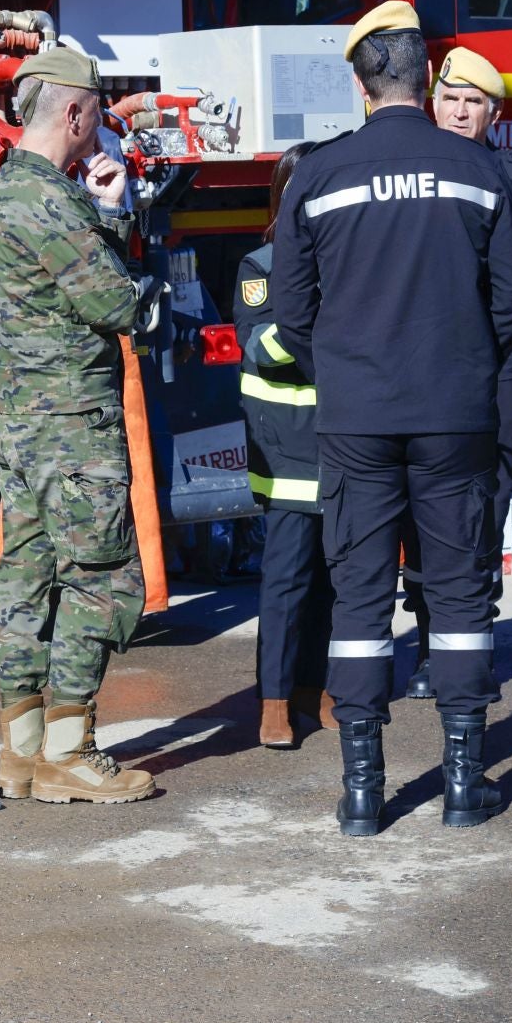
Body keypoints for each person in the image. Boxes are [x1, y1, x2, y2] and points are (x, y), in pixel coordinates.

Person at [270, 0, 512, 836]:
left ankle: (360, 791)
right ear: (428, 77)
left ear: (359, 81)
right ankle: (462, 780)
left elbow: (291, 311)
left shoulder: (317, 175)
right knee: (458, 592)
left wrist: (345, 375)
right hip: (456, 415)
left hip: (357, 419)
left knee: (360, 595)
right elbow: (508, 307)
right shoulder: (479, 173)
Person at [0, 45, 161, 805]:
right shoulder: (50, 201)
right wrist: (120, 219)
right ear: (76, 112)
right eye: (96, 117)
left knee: (24, 578)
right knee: (102, 578)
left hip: (19, 427)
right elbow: (118, 305)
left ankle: (21, 754)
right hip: (72, 428)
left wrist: (101, 216)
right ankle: (69, 753)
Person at [400, 47, 512, 702]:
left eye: (474, 103)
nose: (461, 112)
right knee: (417, 510)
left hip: (493, 371)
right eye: (451, 99)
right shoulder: (405, 170)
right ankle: (433, 644)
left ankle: (472, 646)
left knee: (483, 508)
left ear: (493, 114)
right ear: (432, 102)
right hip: (417, 366)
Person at [236, 143, 335, 749]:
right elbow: (258, 345)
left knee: (333, 581)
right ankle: (273, 700)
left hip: (341, 440)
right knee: (287, 579)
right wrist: (320, 330)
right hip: (287, 445)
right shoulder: (262, 264)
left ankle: (314, 689)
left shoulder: (347, 258)